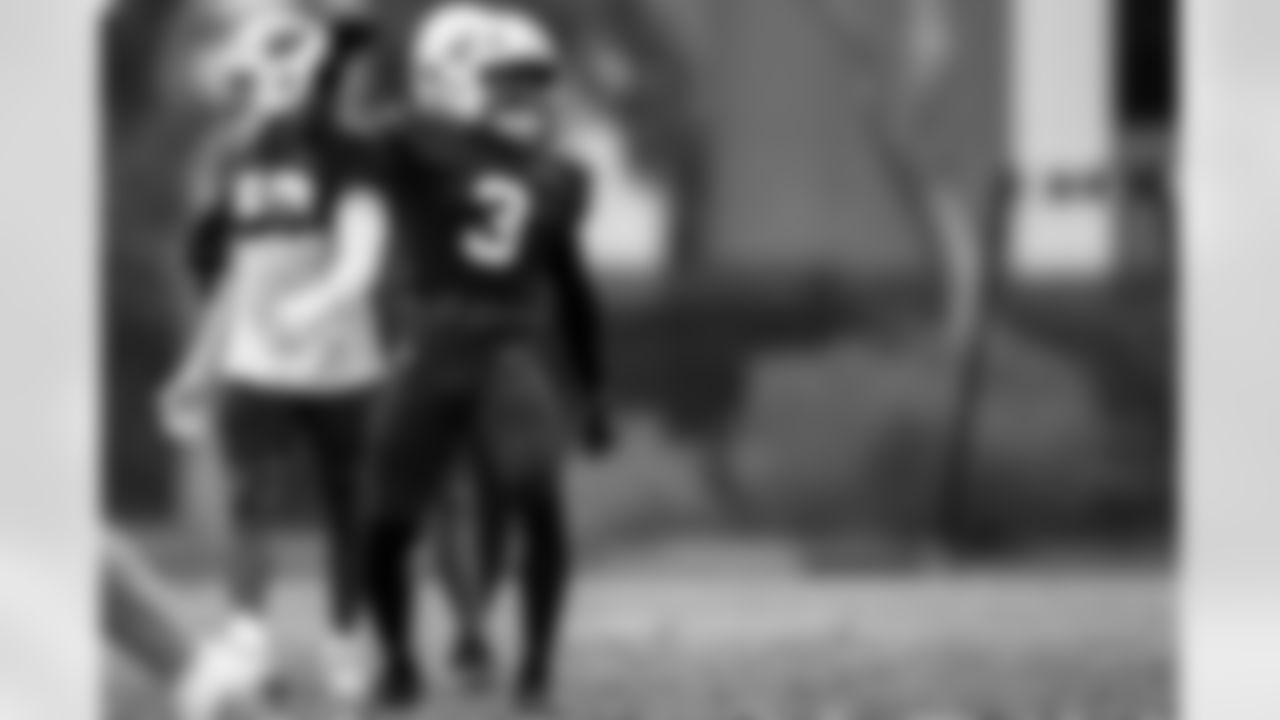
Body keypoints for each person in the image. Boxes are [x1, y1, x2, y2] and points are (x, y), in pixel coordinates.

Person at [314, 2, 613, 710]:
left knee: (539, 499)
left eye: (533, 82)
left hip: (508, 345)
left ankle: (535, 667)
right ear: (452, 79)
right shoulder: (415, 141)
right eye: (508, 80)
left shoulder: (559, 173)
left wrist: (593, 390)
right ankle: (398, 663)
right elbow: (327, 144)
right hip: (430, 344)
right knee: (383, 519)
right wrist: (336, 63)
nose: (528, 96)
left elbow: (573, 288)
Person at [159, 4, 383, 698]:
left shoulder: (349, 153)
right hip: (259, 364)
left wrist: (314, 307)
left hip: (344, 367)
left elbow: (360, 257)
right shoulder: (230, 162)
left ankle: (347, 636)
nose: (269, 89)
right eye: (257, 77)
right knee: (254, 500)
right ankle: (248, 642)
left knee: (352, 509)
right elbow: (235, 277)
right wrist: (197, 368)